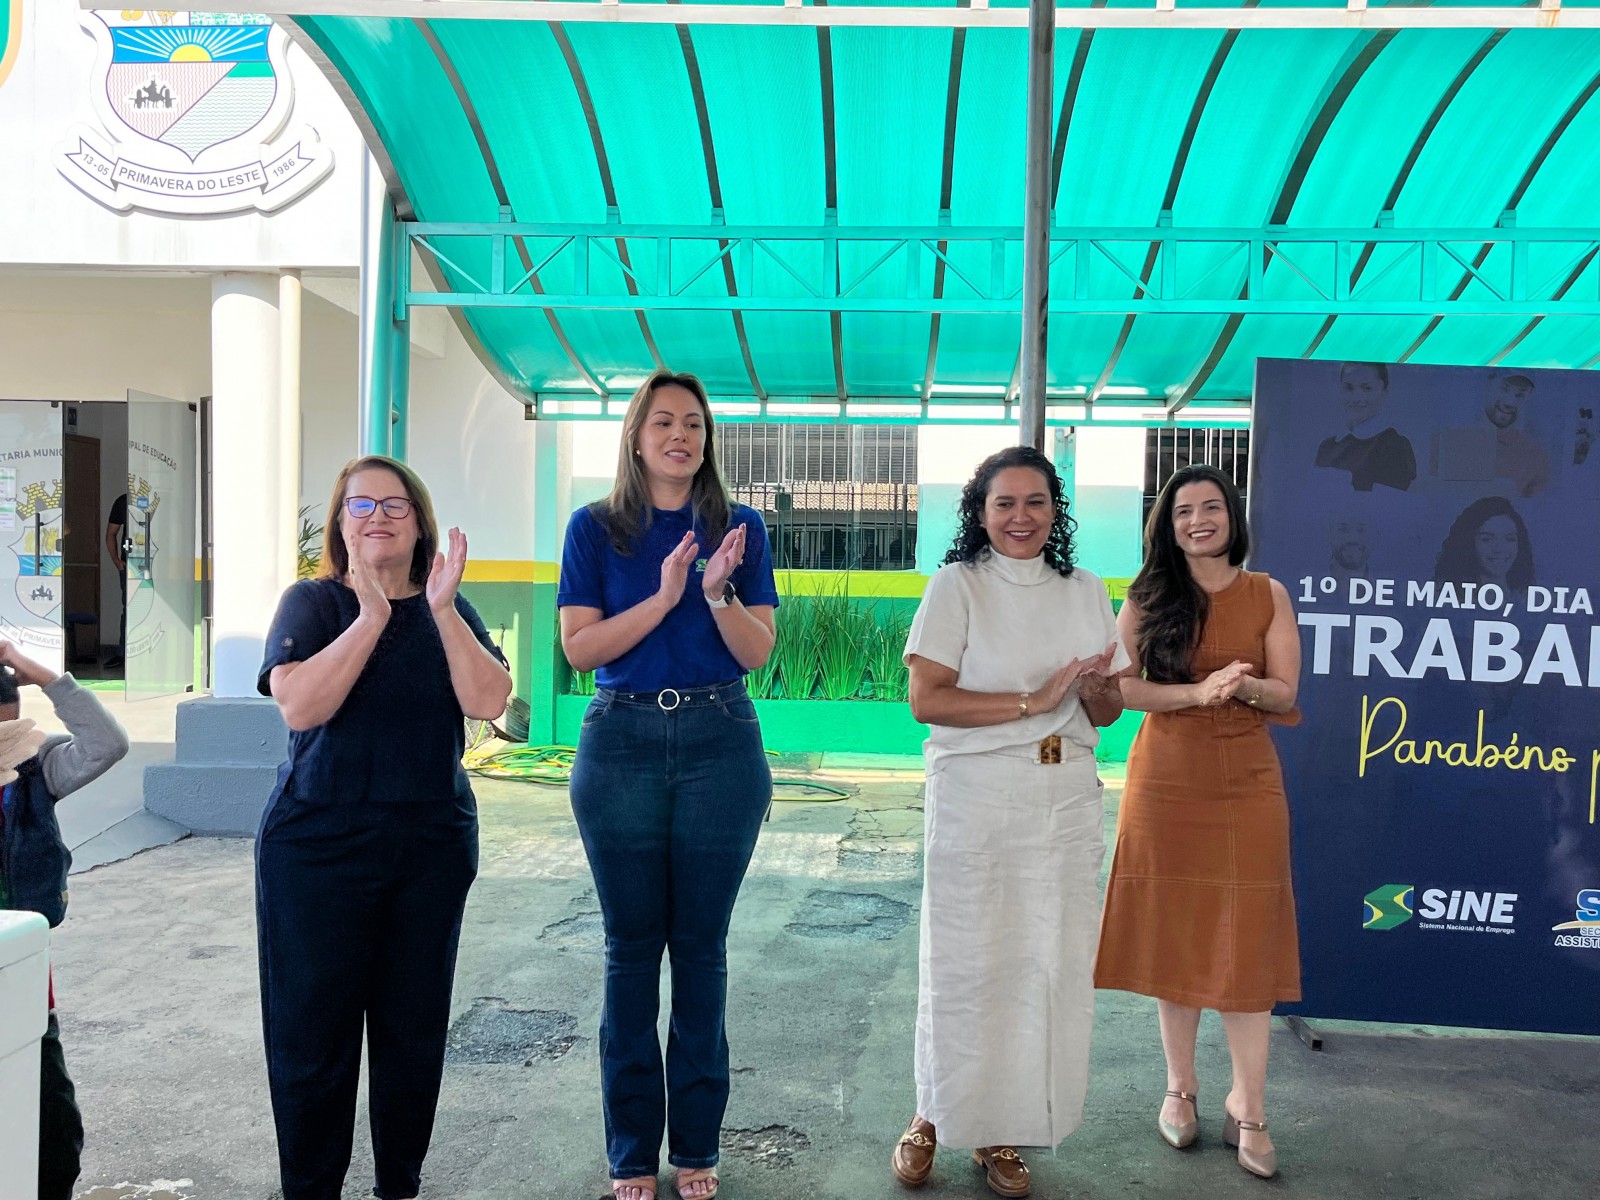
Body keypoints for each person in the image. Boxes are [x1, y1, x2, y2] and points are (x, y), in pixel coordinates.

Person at [255, 455, 512, 1200]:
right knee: (313, 1036)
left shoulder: (447, 606)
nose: (377, 518)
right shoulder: (311, 604)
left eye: (394, 505)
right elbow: (301, 706)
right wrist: (371, 616)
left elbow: (490, 699)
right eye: (360, 505)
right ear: (340, 522)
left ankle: (400, 1185)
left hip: (429, 847)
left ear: (420, 522)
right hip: (316, 849)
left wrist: (438, 611)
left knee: (412, 1033)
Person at [558, 369, 779, 1200]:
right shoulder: (594, 528)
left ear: (707, 439)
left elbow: (758, 652)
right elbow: (581, 649)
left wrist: (717, 594)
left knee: (700, 950)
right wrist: (664, 598)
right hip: (620, 741)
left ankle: (695, 1147)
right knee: (629, 951)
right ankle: (629, 1153)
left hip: (721, 741)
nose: (680, 435)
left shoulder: (741, 527)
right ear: (636, 437)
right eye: (663, 422)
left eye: (693, 422)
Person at [892, 445, 1126, 1199]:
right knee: (965, 963)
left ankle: (1000, 1129)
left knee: (1042, 964)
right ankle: (932, 1113)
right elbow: (927, 700)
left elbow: (1108, 712)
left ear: (1056, 511)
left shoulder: (1086, 590)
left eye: (1035, 502)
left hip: (1062, 801)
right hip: (976, 798)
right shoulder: (957, 585)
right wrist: (1035, 701)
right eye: (1004, 503)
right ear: (980, 511)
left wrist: (1095, 689)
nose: (1020, 517)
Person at [1094, 463, 1302, 1181]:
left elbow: (1285, 692)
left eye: (1210, 507)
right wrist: (1195, 693)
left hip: (1248, 782)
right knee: (1175, 933)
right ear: (1168, 525)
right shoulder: (1147, 596)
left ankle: (1250, 1104)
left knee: (1247, 941)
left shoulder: (1268, 593)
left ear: (1231, 517)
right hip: (1167, 781)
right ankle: (1179, 1087)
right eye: (1183, 511)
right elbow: (1119, 690)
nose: (1197, 520)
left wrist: (1242, 687)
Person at [0, 636, 130, 1200]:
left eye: (10, 732)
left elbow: (106, 744)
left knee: (51, 1125)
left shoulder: (37, 769)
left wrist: (47, 677)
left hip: (22, 974)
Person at [1314, 361, 1417, 492]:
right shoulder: (1328, 446)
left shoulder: (1395, 446)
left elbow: (1388, 501)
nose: (1356, 398)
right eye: (1349, 388)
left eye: (1367, 388)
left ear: (1384, 392)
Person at [1433, 496, 1534, 596]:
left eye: (1509, 539)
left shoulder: (1527, 599)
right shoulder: (1447, 597)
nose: (1499, 548)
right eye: (1487, 539)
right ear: (1469, 543)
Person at [1481, 371, 1551, 497]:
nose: (1509, 402)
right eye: (1504, 389)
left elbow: (1536, 502)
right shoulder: (1451, 441)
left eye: (1520, 395)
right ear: (1487, 386)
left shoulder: (1536, 456)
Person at [102, 493, 129, 669]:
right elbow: (111, 533)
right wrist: (117, 561)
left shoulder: (161, 496)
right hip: (129, 566)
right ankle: (122, 654)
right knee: (129, 609)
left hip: (160, 564)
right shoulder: (124, 501)